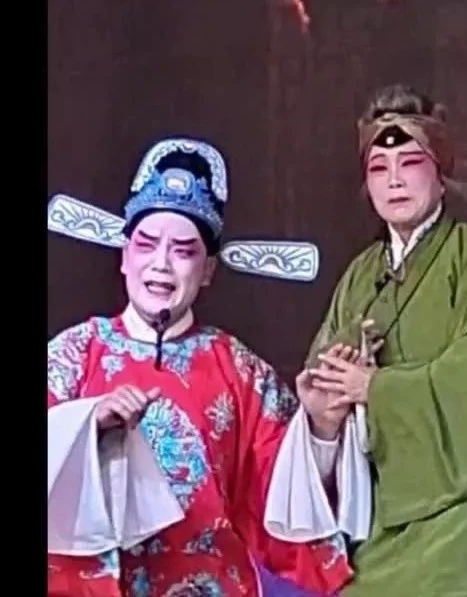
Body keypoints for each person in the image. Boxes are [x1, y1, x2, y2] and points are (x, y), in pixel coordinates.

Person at [46, 137, 354, 596]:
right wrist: (87, 423)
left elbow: (286, 503)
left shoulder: (242, 372)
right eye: (146, 245)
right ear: (124, 256)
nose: (161, 265)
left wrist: (322, 430)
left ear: (208, 270)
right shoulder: (73, 355)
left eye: (183, 251)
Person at [300, 84, 467, 596]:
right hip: (380, 518)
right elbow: (325, 382)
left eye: (410, 163)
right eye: (378, 168)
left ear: (440, 171)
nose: (394, 180)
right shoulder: (360, 276)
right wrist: (322, 420)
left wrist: (376, 389)